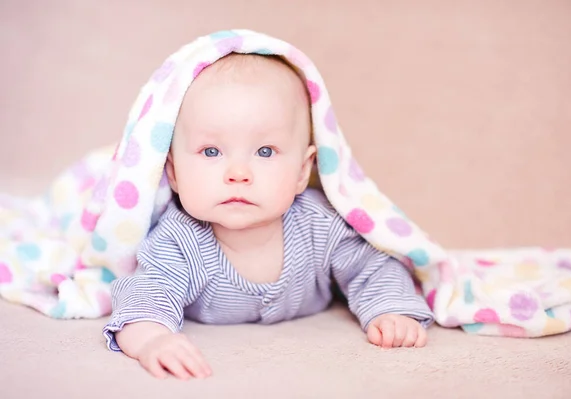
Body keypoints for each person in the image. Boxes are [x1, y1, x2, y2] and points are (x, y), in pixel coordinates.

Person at [103, 53, 434, 380]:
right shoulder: (180, 239)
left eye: (265, 151)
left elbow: (372, 268)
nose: (238, 172)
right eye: (211, 151)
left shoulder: (319, 223)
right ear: (173, 173)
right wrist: (153, 339)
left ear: (303, 171)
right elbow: (145, 294)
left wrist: (391, 311)